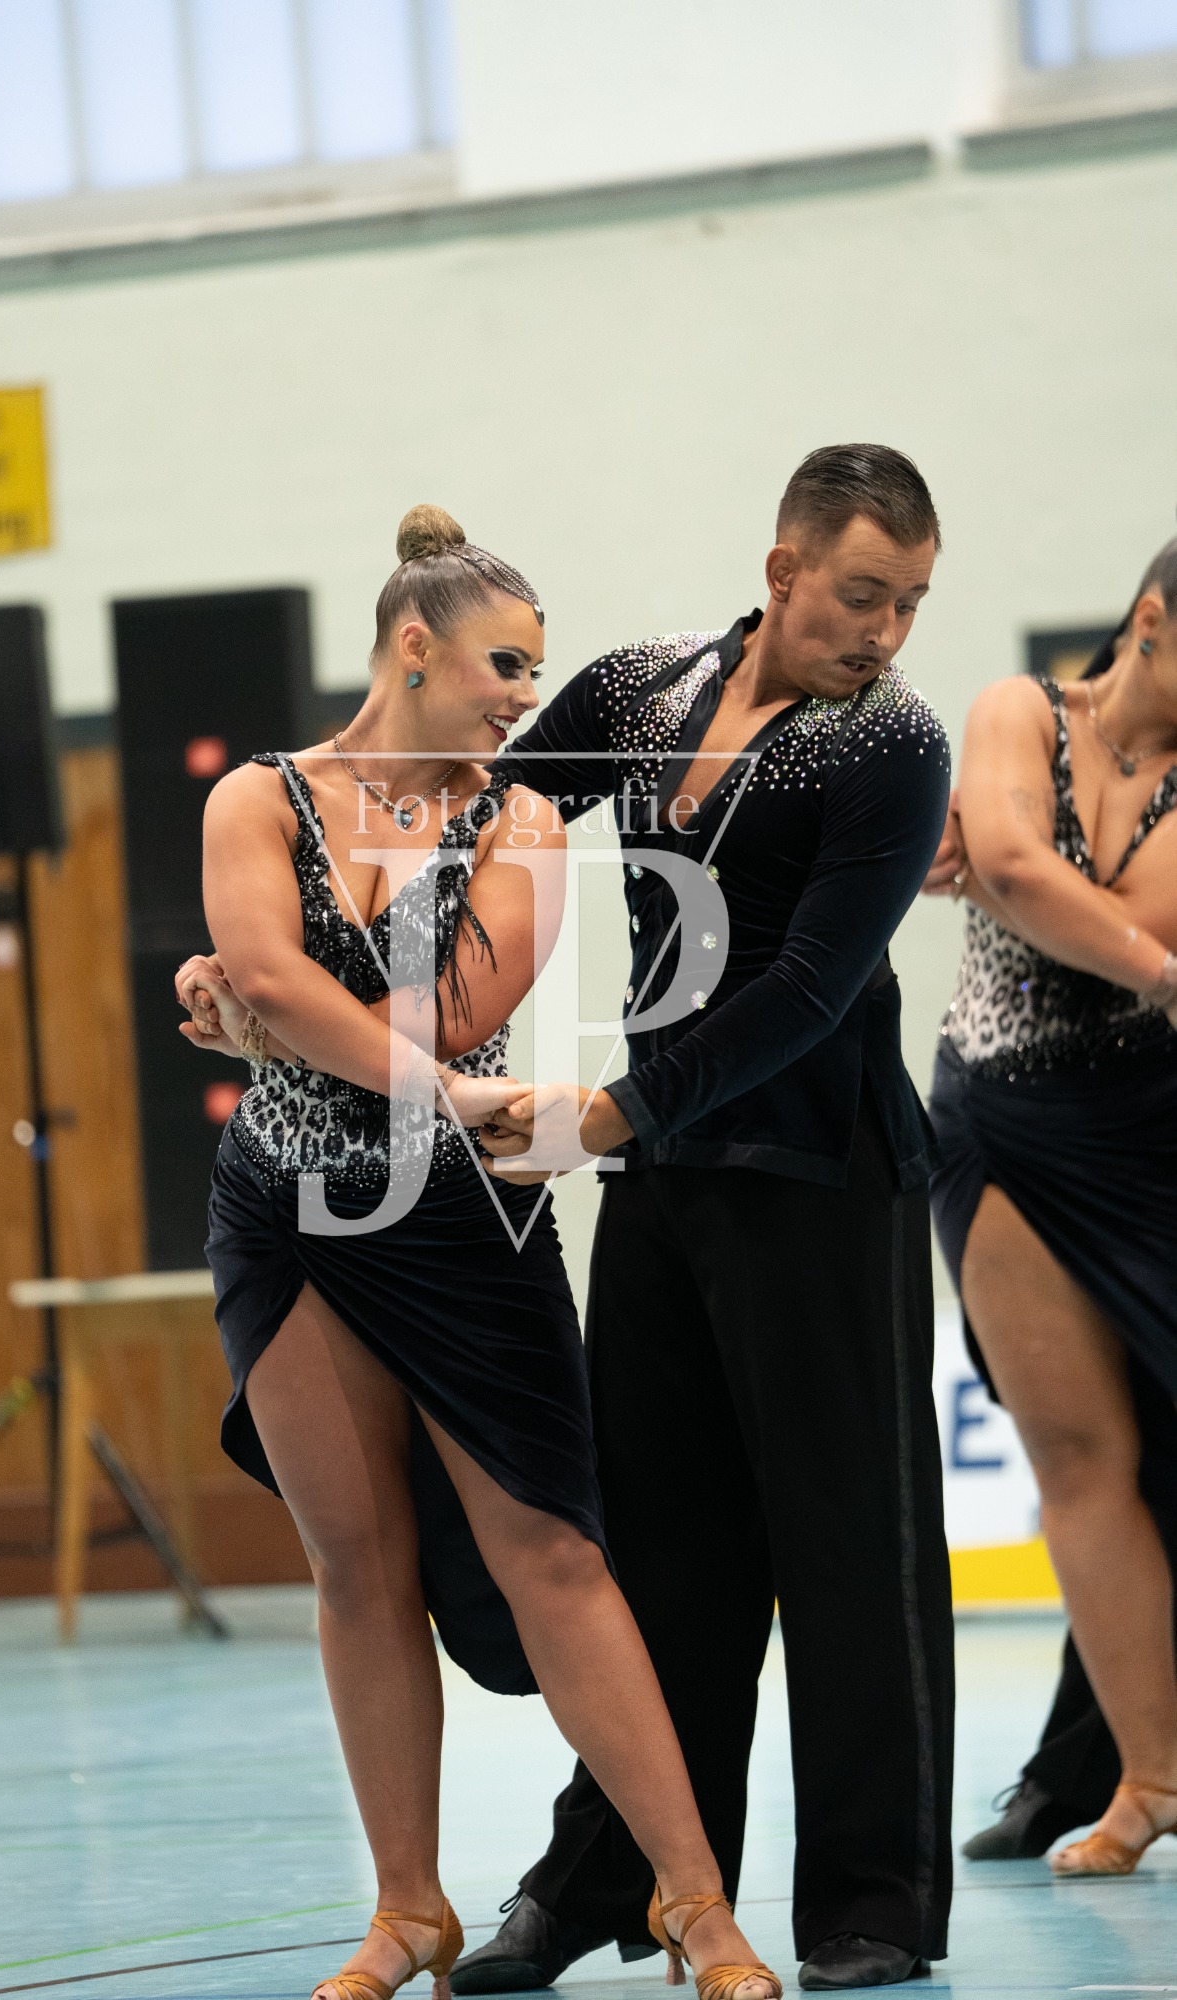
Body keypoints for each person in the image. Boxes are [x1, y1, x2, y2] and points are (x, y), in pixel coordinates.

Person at [178, 506, 781, 2000]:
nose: (526, 695)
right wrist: (272, 1005)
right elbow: (268, 979)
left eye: (534, 669)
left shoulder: (517, 822)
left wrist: (271, 1012)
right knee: (355, 1564)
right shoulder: (258, 797)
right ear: (412, 646)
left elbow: (442, 1012)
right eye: (505, 665)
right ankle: (407, 1911)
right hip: (286, 1210)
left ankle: (693, 1900)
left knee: (553, 1556)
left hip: (458, 1220)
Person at [466, 445, 955, 1993]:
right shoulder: (637, 689)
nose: (883, 631)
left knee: (849, 1550)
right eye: (861, 594)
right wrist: (287, 948)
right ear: (781, 569)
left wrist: (606, 1113)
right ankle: (601, 1882)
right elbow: (477, 807)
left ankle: (872, 1902)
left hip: (821, 1181)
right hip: (668, 1179)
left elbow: (809, 989)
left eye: (909, 603)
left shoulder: (889, 743)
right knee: (657, 1553)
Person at [919, 541, 1177, 1877]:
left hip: (1155, 1127)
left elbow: (1105, 905)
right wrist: (1013, 876)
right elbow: (1023, 876)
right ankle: (1147, 1781)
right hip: (1003, 1123)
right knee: (1079, 1460)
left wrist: (1007, 868)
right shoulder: (1017, 708)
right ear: (1151, 619)